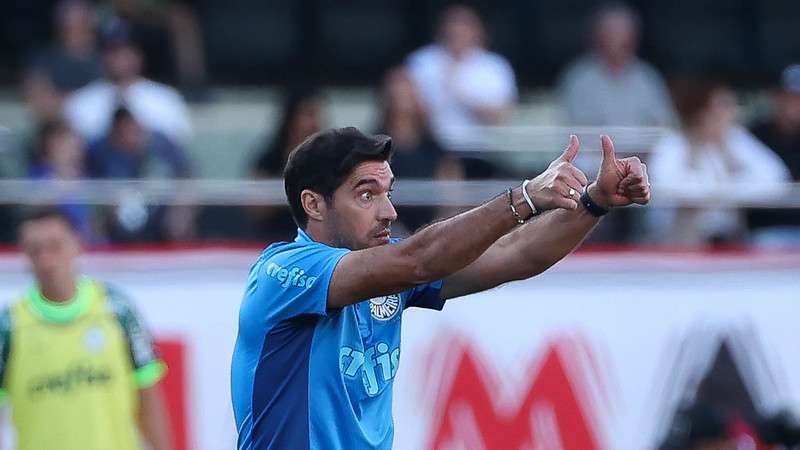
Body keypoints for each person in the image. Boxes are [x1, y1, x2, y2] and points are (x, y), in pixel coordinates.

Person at [230, 126, 650, 449]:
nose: (388, 211)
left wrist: (593, 201)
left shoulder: (391, 270)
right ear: (313, 204)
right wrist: (524, 197)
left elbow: (517, 252)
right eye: (366, 195)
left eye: (387, 193)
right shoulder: (282, 274)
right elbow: (418, 259)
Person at [0, 207, 173, 450]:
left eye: (55, 246)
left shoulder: (116, 309)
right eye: (35, 250)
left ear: (76, 245)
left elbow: (148, 395)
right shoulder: (9, 325)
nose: (46, 260)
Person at [647, 79, 790, 245]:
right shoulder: (674, 142)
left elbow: (776, 178)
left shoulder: (735, 139)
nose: (730, 114)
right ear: (701, 112)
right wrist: (714, 191)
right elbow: (665, 185)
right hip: (678, 239)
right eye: (722, 107)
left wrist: (726, 183)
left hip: (726, 238)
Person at [406, 5, 517, 154]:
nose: (457, 31)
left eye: (465, 25)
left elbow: (499, 117)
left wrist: (461, 94)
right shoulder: (421, 62)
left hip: (481, 151)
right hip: (429, 149)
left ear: (478, 30)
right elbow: (404, 109)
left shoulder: (494, 66)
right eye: (453, 24)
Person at [64, 20, 193, 147]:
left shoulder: (166, 99)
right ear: (102, 55)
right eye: (113, 51)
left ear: (139, 55)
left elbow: (181, 152)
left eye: (127, 50)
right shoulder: (79, 103)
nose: (120, 58)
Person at [375, 67, 463, 233]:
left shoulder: (433, 145)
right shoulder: (375, 145)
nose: (403, 98)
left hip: (431, 226)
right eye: (398, 92)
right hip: (388, 227)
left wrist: (440, 226)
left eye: (408, 92)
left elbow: (452, 188)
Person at [558, 3, 675, 127]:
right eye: (611, 33)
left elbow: (664, 125)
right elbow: (576, 132)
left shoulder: (647, 77)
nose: (617, 40)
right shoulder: (579, 79)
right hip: (596, 146)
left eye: (623, 33)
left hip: (643, 146)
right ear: (598, 36)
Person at [249, 88, 325, 240]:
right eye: (309, 114)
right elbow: (255, 209)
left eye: (318, 115)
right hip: (275, 240)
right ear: (291, 118)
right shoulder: (270, 159)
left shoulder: (331, 159)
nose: (315, 123)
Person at [748, 64, 800, 246]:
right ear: (776, 97)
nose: (793, 104)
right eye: (788, 97)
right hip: (765, 229)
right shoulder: (755, 134)